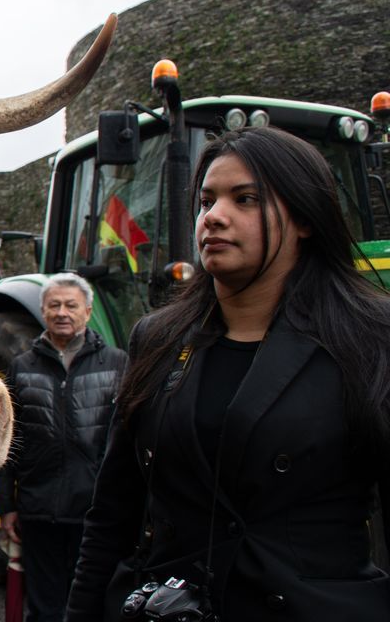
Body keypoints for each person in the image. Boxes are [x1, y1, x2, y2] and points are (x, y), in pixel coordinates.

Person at [67, 127, 390, 621]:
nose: (213, 217)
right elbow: (113, 509)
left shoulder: (370, 337)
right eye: (206, 200)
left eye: (245, 199)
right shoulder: (156, 337)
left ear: (303, 217)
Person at [0, 273, 128, 621]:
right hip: (40, 509)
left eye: (71, 305)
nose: (62, 312)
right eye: (54, 305)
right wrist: (7, 505)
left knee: (89, 604)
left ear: (87, 310)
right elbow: (9, 443)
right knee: (44, 606)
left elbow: (126, 442)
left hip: (94, 511)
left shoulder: (116, 364)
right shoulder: (22, 367)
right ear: (43, 310)